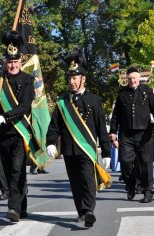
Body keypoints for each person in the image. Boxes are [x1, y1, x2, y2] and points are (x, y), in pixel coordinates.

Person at [46, 48, 111, 228]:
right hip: (69, 149)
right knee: (75, 182)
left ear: (83, 79)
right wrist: (50, 142)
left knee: (87, 179)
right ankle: (81, 212)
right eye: (70, 78)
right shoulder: (62, 102)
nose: (71, 81)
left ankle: (89, 210)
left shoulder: (94, 100)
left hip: (86, 148)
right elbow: (54, 125)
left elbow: (100, 128)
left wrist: (106, 151)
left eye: (75, 78)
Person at [0, 31, 35, 223]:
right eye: (9, 62)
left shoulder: (28, 80)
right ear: (5, 62)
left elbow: (24, 106)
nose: (12, 65)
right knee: (7, 172)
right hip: (0, 134)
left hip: (18, 132)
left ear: (20, 62)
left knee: (16, 170)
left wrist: (4, 117)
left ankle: (13, 208)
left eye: (15, 62)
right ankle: (21, 206)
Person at [109, 67, 154, 203]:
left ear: (139, 78)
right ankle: (131, 185)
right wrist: (113, 132)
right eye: (130, 78)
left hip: (145, 133)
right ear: (127, 79)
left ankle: (148, 191)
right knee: (126, 162)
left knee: (145, 163)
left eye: (134, 78)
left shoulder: (147, 91)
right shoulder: (122, 94)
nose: (132, 80)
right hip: (126, 134)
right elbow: (116, 115)